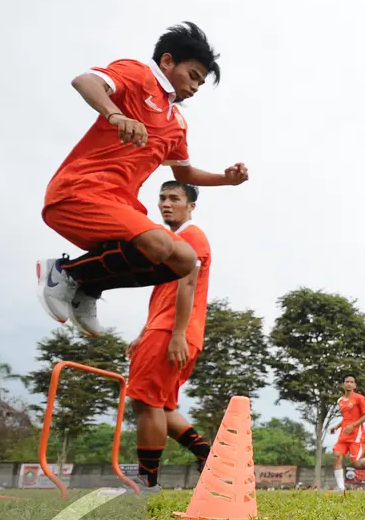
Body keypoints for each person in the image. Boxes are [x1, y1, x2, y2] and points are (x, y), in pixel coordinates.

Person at [37, 22, 248, 336]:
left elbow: (183, 173)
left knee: (185, 261)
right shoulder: (139, 75)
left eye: (200, 84)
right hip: (80, 192)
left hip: (119, 206)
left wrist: (226, 179)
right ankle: (63, 273)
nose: (194, 88)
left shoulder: (176, 122)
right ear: (167, 61)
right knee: (159, 243)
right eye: (192, 76)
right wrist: (116, 115)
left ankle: (86, 287)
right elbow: (85, 81)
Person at [124, 181, 213, 493]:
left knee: (145, 402)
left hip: (172, 331)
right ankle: (208, 456)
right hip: (165, 329)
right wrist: (142, 333)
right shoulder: (174, 240)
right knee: (160, 405)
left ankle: (146, 483)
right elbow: (165, 294)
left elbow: (187, 286)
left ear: (190, 206)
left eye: (174, 198)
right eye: (162, 198)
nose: (165, 203)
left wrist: (175, 334)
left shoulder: (191, 236)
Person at [328, 374, 365, 492]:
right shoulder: (340, 401)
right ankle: (341, 488)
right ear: (343, 384)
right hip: (343, 435)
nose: (349, 383)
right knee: (337, 456)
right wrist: (337, 426)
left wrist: (353, 425)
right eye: (347, 381)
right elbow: (346, 418)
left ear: (355, 385)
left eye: (352, 382)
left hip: (356, 436)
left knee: (356, 463)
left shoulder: (359, 398)